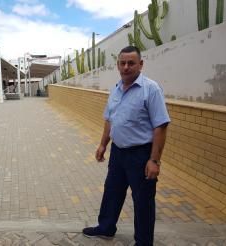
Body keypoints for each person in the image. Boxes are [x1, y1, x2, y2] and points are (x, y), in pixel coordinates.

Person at [82, 46, 170, 245]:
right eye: (123, 63)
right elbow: (109, 119)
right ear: (118, 65)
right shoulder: (116, 88)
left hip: (141, 155)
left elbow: (161, 126)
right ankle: (106, 227)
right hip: (118, 152)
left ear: (141, 64)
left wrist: (154, 160)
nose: (126, 67)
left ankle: (143, 242)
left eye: (131, 63)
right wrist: (103, 145)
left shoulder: (151, 89)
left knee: (143, 201)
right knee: (112, 191)